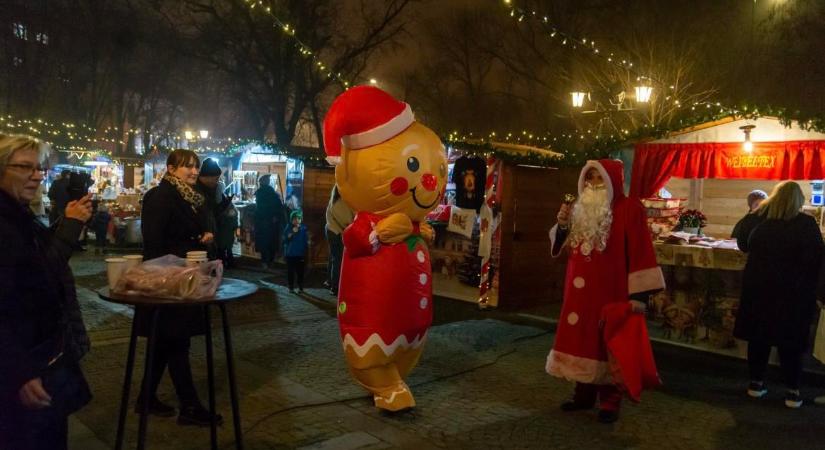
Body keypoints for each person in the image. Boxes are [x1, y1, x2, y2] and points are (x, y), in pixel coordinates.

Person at [547, 159, 665, 424]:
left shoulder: (629, 208)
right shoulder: (578, 208)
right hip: (578, 295)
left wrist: (638, 296)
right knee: (581, 340)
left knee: (608, 344)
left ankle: (610, 402)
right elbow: (565, 246)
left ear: (612, 180)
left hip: (610, 291)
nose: (593, 184)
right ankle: (583, 394)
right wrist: (563, 225)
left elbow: (641, 250)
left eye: (599, 178)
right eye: (589, 178)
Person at [0, 134, 93, 449]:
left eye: (39, 168)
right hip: (25, 366)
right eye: (24, 167)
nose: (37, 175)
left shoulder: (18, 214)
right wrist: (20, 371)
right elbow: (39, 275)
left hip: (42, 356)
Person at [138, 149, 221, 426]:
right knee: (176, 341)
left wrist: (202, 236)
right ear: (171, 169)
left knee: (166, 342)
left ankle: (146, 398)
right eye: (187, 166)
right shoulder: (160, 196)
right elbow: (154, 242)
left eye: (196, 166)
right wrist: (193, 243)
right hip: (169, 280)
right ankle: (190, 406)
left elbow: (183, 231)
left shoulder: (190, 197)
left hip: (184, 277)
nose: (194, 171)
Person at [734, 181, 824, 408]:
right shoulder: (806, 224)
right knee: (791, 342)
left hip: (760, 289)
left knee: (759, 338)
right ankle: (793, 391)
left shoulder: (760, 221)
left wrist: (756, 211)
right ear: (799, 201)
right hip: (794, 293)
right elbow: (816, 258)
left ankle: (756, 384)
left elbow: (742, 244)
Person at [196, 159, 236, 267]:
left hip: (211, 235)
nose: (217, 181)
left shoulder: (212, 188)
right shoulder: (196, 191)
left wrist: (225, 203)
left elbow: (214, 210)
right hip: (201, 239)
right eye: (216, 178)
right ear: (207, 177)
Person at [325, 185, 354, 295]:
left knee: (332, 258)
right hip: (337, 233)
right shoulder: (343, 202)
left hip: (330, 230)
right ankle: (335, 287)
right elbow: (348, 220)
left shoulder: (333, 200)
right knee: (338, 260)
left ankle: (329, 281)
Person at [254, 174, 285, 268]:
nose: (268, 181)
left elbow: (260, 208)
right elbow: (278, 206)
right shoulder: (271, 193)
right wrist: (276, 216)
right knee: (271, 241)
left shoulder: (260, 192)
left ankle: (265, 261)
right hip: (271, 221)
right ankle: (270, 261)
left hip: (263, 221)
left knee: (264, 242)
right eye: (267, 180)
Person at [283, 210, 309, 293]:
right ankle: (291, 287)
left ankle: (300, 286)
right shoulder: (288, 228)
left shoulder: (303, 229)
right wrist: (290, 234)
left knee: (300, 271)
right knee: (290, 272)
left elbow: (305, 241)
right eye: (295, 219)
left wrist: (306, 249)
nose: (297, 220)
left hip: (300, 254)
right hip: (290, 254)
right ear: (291, 220)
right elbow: (285, 240)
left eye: (299, 218)